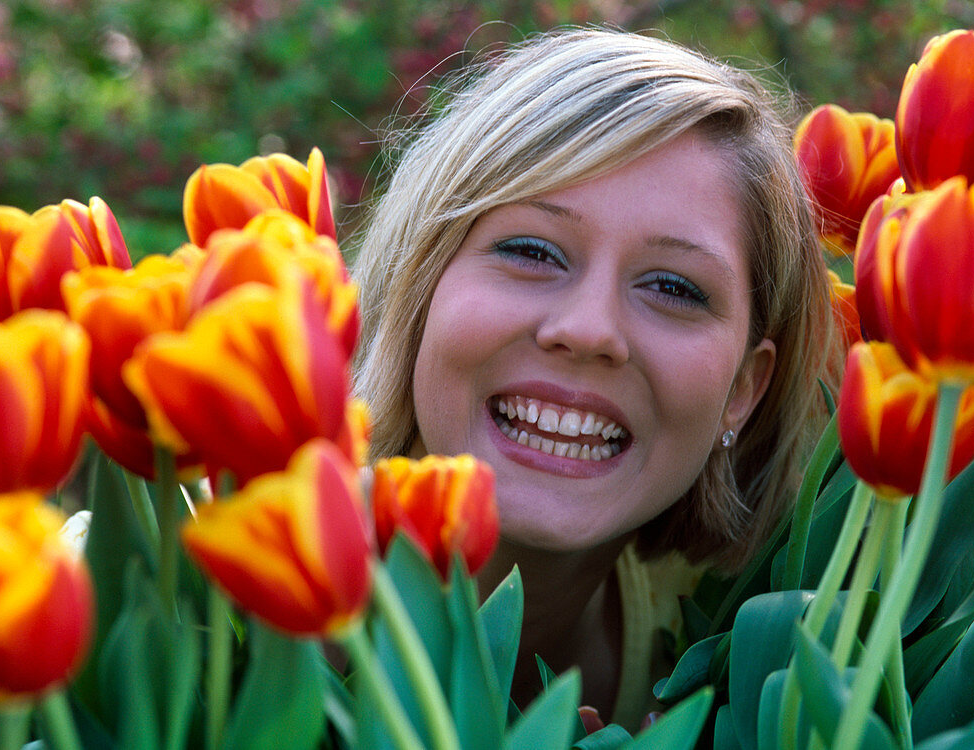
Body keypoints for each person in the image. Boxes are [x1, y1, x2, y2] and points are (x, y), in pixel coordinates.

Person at [350, 27, 834, 728]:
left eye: (673, 287)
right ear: (419, 287)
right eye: (532, 250)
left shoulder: (760, 675)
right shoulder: (209, 619)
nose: (589, 330)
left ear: (742, 391)